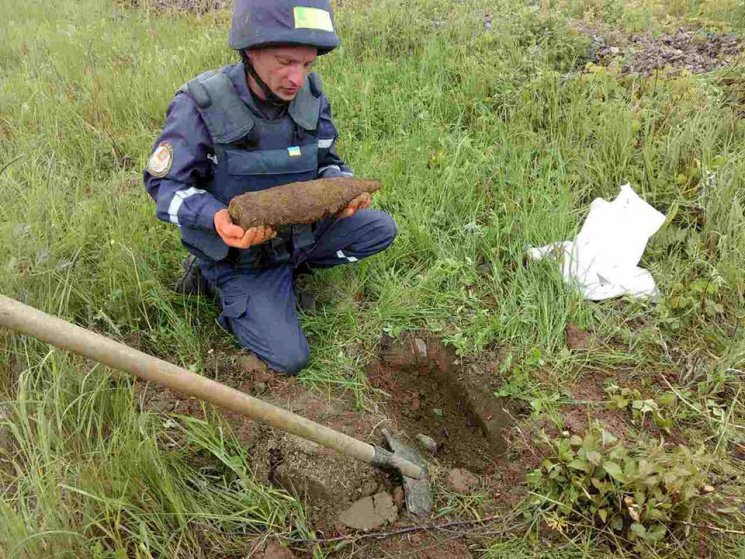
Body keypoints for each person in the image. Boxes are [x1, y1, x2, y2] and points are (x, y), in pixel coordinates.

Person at [144, 0, 397, 375]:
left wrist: (339, 188)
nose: (297, 77)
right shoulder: (203, 103)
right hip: (241, 255)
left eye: (307, 64)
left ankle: (290, 272)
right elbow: (164, 186)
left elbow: (328, 160)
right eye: (285, 62)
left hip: (300, 237)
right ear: (250, 51)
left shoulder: (310, 96)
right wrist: (216, 218)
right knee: (290, 358)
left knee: (380, 229)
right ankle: (214, 281)